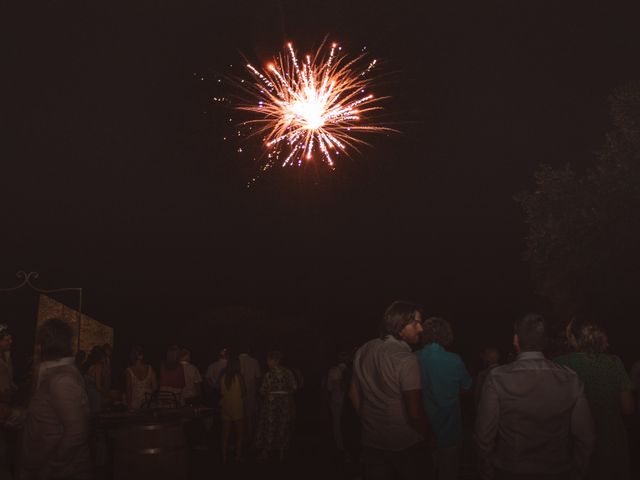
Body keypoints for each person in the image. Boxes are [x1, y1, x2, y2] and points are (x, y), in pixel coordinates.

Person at [475, 313, 596, 480]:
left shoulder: (497, 378)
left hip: (510, 470)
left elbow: (484, 436)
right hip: (557, 471)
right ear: (545, 341)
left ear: (516, 340)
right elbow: (586, 438)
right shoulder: (570, 379)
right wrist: (578, 473)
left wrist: (487, 472)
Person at [349, 301, 434, 480]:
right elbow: (415, 413)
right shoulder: (406, 359)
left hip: (372, 440)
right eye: (416, 323)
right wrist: (428, 435)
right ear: (400, 325)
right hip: (405, 442)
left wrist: (370, 422)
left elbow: (353, 394)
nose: (420, 329)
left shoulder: (364, 350)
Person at [555, 319, 635, 480]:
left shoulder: (559, 364)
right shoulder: (614, 363)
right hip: (611, 442)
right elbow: (628, 407)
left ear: (572, 338)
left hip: (573, 443)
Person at [21, 318, 92, 480]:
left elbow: (76, 432)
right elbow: (46, 416)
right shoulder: (52, 373)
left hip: (63, 473)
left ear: (42, 346)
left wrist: (50, 468)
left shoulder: (62, 379)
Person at [416, 317, 472, 480]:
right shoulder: (454, 360)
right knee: (449, 472)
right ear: (446, 334)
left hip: (421, 428)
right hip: (450, 428)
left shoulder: (413, 358)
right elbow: (467, 386)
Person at [255, 351, 297, 461]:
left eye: (269, 360)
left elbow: (263, 390)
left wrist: (270, 392)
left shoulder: (269, 374)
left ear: (275, 360)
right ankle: (281, 451)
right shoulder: (288, 372)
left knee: (270, 425)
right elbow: (294, 387)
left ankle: (266, 451)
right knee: (282, 425)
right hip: (285, 403)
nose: (267, 362)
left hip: (271, 403)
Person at [218, 354, 246, 463]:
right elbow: (244, 392)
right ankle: (237, 457)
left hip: (225, 406)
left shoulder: (223, 377)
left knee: (225, 434)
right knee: (239, 434)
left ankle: (224, 457)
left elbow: (221, 392)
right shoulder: (239, 377)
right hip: (237, 406)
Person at [327, 351, 349, 457]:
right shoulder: (353, 370)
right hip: (348, 402)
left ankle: (340, 447)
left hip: (337, 401)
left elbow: (329, 388)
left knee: (337, 424)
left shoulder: (333, 370)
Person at [0, 325, 16, 479]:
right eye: (6, 339)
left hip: (6, 405)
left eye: (10, 339)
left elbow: (9, 379)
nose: (10, 342)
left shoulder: (7, 357)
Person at [238, 347, 262, 440]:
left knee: (239, 416)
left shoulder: (235, 361)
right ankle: (250, 437)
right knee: (250, 416)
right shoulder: (254, 361)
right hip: (251, 392)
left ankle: (240, 438)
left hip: (237, 393)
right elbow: (258, 377)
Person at [125, 346, 157, 410]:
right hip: (148, 405)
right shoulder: (150, 368)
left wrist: (128, 407)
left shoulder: (129, 371)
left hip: (135, 406)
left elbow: (129, 391)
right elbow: (155, 387)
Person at [82, 346, 107, 415]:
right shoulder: (98, 367)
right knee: (95, 417)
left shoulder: (89, 366)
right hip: (94, 396)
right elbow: (98, 386)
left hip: (87, 395)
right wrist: (106, 394)